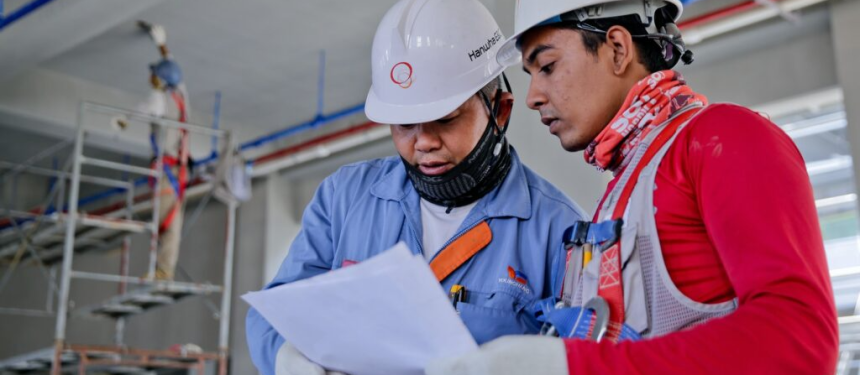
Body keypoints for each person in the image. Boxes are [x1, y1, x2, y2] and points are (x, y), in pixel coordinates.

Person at [427, 0, 839, 374]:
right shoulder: (624, 189)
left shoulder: (723, 137)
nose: (533, 96)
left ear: (618, 49)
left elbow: (800, 340)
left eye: (547, 66)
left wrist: (573, 365)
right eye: (530, 75)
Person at [245, 0, 588, 374]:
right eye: (404, 124)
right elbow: (275, 310)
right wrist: (285, 357)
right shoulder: (343, 199)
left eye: (444, 120)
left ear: (500, 110)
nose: (423, 142)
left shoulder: (561, 232)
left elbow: (583, 356)